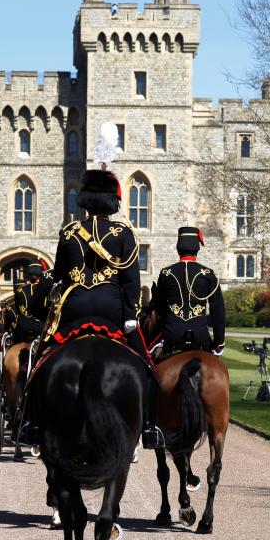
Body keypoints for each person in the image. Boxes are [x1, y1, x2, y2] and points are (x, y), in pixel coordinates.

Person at [48, 167, 155, 443]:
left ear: (85, 199)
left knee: (41, 360)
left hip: (75, 310)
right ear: (112, 201)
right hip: (112, 309)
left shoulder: (70, 233)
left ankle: (30, 421)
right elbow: (131, 280)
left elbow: (59, 276)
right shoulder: (124, 233)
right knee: (145, 365)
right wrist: (130, 314)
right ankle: (149, 426)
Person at [148, 226, 226, 357]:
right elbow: (218, 311)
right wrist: (219, 343)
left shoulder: (166, 273)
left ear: (178, 248)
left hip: (172, 333)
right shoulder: (207, 274)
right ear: (197, 248)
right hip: (200, 334)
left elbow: (159, 308)